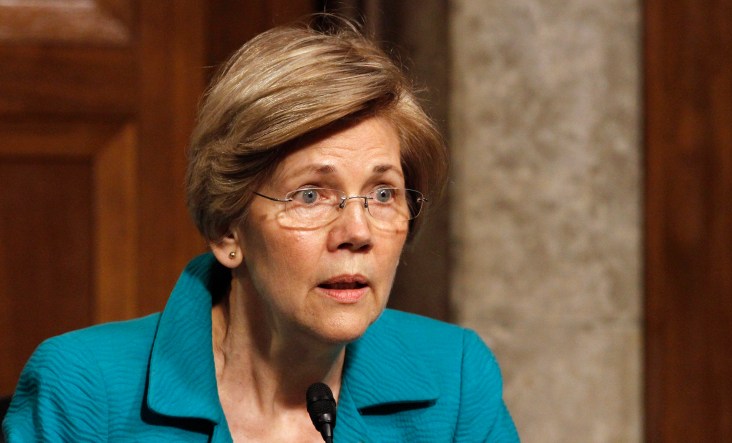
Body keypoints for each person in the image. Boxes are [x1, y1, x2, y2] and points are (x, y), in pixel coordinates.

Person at [3, 15, 519, 442]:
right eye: (312, 195)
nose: (357, 231)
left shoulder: (453, 380)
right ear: (228, 229)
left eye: (383, 194)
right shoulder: (85, 390)